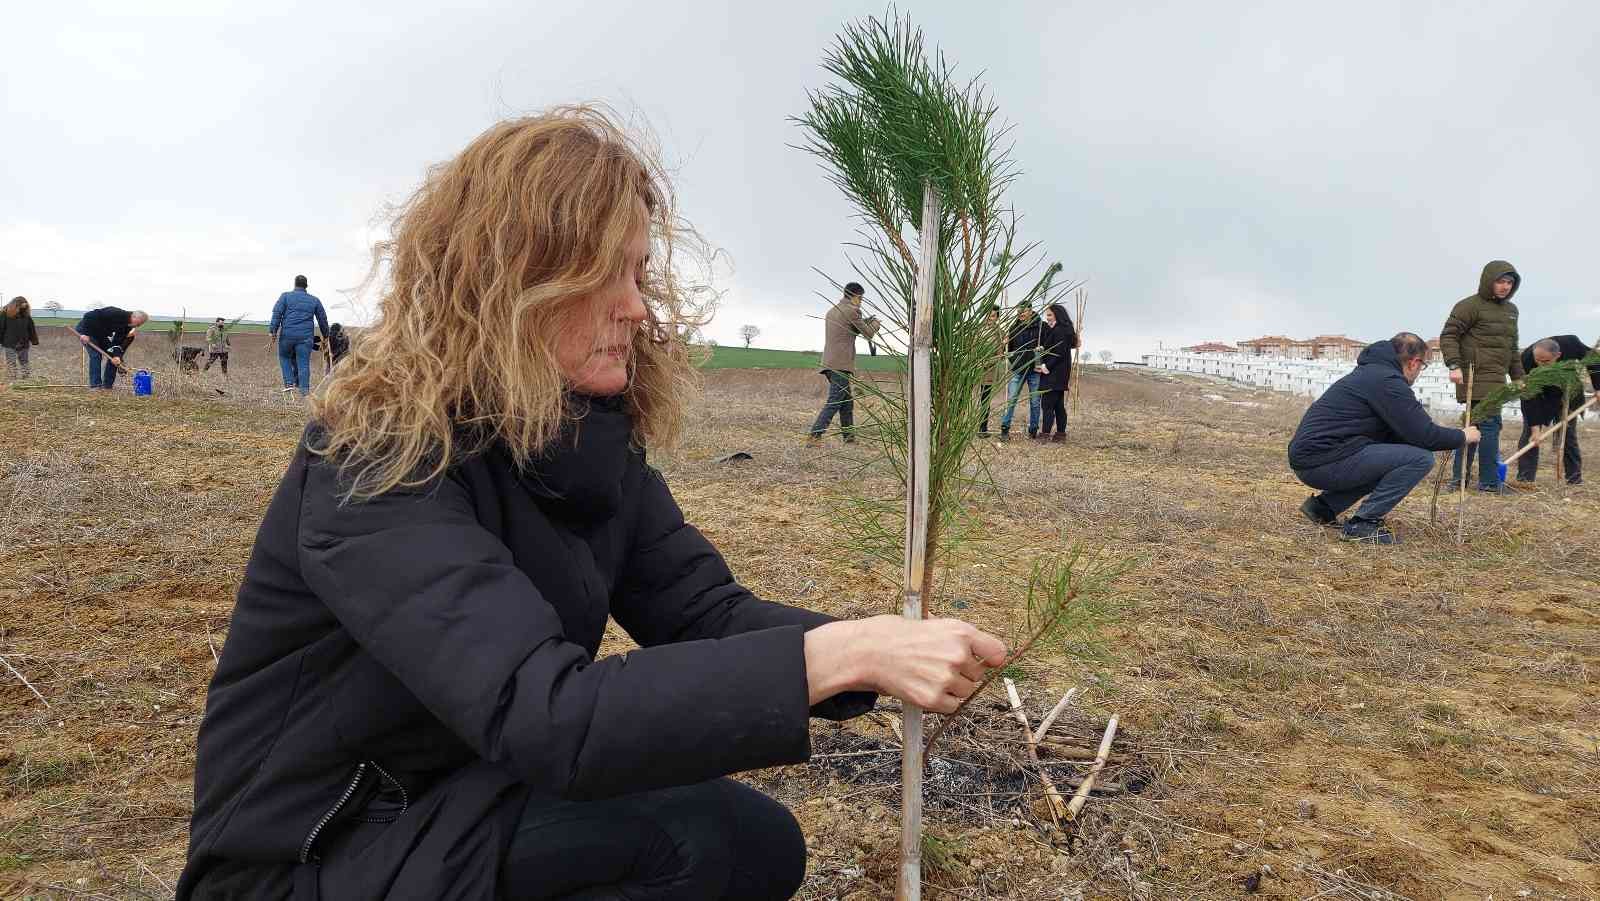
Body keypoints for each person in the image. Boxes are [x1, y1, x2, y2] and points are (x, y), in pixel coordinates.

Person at [178, 108, 1008, 901]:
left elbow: (706, 611)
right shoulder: (378, 458)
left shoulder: (582, 442)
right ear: (512, 280)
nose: (638, 305)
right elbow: (550, 713)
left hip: (461, 796)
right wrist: (841, 656)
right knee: (701, 838)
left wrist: (874, 648)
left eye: (638, 270)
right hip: (317, 854)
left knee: (739, 843)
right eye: (604, 273)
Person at [1288, 333, 1479, 544]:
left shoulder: (1372, 373)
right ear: (1414, 363)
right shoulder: (1387, 381)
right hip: (1322, 460)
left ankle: (1323, 508)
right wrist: (1463, 435)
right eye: (1423, 366)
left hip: (1317, 457)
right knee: (1419, 459)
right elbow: (1425, 436)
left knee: (1393, 458)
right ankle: (1363, 522)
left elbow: (1406, 434)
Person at [1439, 260, 1523, 493]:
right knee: (1489, 427)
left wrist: (1518, 377)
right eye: (1500, 281)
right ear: (1489, 280)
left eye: (1509, 282)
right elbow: (1449, 336)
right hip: (1474, 377)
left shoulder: (1511, 311)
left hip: (1496, 379)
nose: (1505, 286)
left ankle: (1459, 481)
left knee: (1472, 428)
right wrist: (1454, 365)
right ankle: (1488, 483)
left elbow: (1511, 347)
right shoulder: (1469, 306)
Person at [1514, 336, 1600, 486]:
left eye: (1546, 361)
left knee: (1568, 435)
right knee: (1529, 435)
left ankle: (1574, 479)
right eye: (1538, 360)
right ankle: (1525, 479)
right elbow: (1529, 395)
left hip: (1568, 392)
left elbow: (1593, 360)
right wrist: (1535, 428)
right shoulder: (1526, 360)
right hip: (1540, 395)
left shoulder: (1571, 344)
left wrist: (1598, 387)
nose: (1540, 365)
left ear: (1558, 355)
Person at [807, 282, 879, 445]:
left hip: (829, 363)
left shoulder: (833, 311)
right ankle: (814, 436)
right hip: (840, 365)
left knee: (846, 403)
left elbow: (849, 329)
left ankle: (849, 439)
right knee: (835, 401)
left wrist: (864, 321)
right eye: (861, 298)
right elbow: (868, 334)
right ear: (855, 296)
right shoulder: (852, 311)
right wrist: (875, 324)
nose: (861, 302)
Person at [269, 274, 330, 397]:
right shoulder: (314, 300)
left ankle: (289, 384)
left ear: (295, 284)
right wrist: (326, 335)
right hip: (305, 338)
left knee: (284, 357)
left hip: (287, 335)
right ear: (306, 286)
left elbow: (277, 313)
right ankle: (304, 390)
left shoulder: (285, 297)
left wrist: (273, 331)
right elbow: (322, 319)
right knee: (303, 361)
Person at [73, 306, 148, 390]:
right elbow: (88, 315)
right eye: (138, 323)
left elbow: (116, 342)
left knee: (113, 357)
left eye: (139, 325)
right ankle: (95, 386)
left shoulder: (128, 326)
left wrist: (116, 356)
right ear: (134, 316)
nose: (137, 326)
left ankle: (107, 386)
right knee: (96, 355)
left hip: (100, 334)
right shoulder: (115, 313)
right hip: (86, 329)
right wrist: (85, 333)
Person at [1036, 303, 1078, 442]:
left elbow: (1058, 353)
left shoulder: (1059, 330)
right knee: (1058, 405)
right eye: (1047, 315)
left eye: (1049, 315)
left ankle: (1045, 434)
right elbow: (1061, 347)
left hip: (1053, 373)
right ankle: (1060, 434)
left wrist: (1045, 366)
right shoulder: (1063, 330)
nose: (1047, 318)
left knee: (1047, 404)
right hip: (1060, 374)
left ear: (1057, 315)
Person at [999, 305, 1043, 439]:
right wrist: (1006, 347)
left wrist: (1041, 350)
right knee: (1011, 400)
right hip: (1017, 369)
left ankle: (1033, 429)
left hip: (1034, 370)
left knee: (1035, 401)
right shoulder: (1014, 327)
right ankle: (1005, 429)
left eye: (1023, 311)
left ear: (1030, 311)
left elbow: (1048, 342)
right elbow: (1008, 348)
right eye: (1019, 311)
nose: (1020, 313)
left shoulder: (1040, 326)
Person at [978, 305, 1006, 436]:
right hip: (974, 368)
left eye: (993, 316)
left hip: (989, 370)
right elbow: (972, 348)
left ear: (997, 318)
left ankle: (982, 428)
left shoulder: (1000, 333)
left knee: (985, 399)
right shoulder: (977, 331)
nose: (990, 318)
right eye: (988, 315)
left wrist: (987, 362)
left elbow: (1000, 355)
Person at [1, 296, 40, 382]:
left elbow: (31, 328)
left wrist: (34, 340)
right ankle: (12, 380)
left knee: (24, 362)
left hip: (24, 343)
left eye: (25, 305)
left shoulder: (26, 315)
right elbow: (1, 327)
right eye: (22, 305)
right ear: (16, 305)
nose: (25, 306)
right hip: (9, 343)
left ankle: (26, 380)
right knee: (11, 362)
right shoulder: (5, 314)